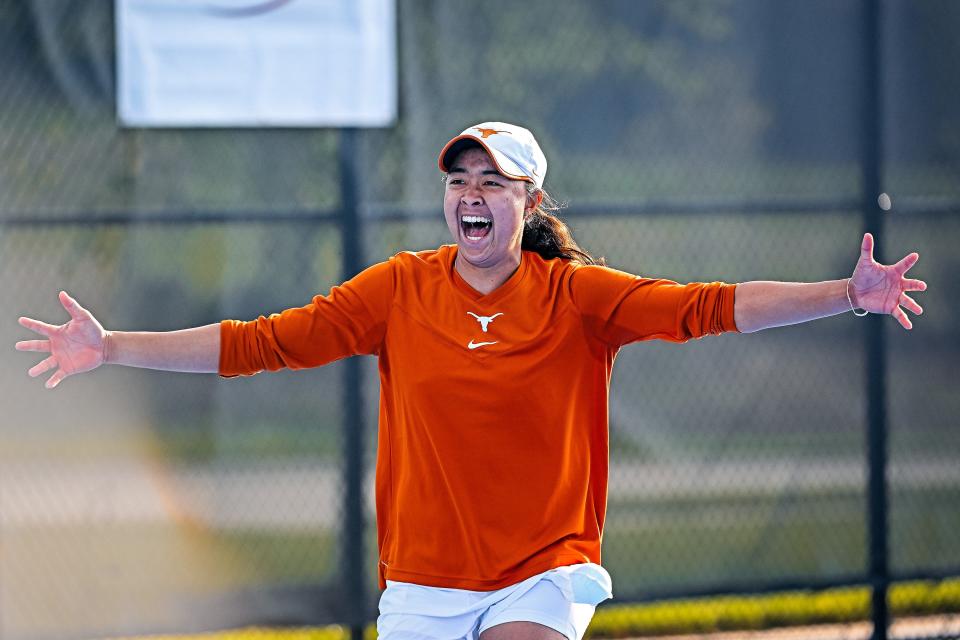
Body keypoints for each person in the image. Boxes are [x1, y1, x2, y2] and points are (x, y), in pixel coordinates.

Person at [16, 122, 927, 640]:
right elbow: (261, 343)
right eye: (459, 179)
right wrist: (113, 346)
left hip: (542, 572)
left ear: (529, 203)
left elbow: (710, 305)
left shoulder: (577, 296)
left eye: (493, 181)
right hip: (422, 583)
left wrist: (846, 295)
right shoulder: (398, 290)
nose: (471, 194)